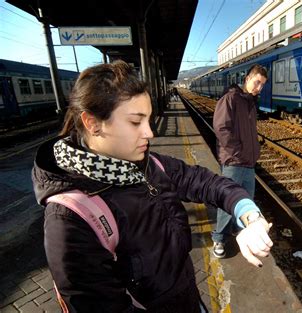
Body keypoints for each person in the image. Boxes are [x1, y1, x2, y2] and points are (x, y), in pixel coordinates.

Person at [31, 60, 273, 313]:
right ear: (92, 123)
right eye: (136, 122)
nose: (149, 133)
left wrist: (249, 214)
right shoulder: (70, 220)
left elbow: (209, 182)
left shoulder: (151, 165)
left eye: (148, 119)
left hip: (188, 298)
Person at [211, 64, 268, 258]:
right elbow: (221, 128)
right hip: (234, 163)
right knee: (228, 202)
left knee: (246, 202)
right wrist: (237, 152)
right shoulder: (231, 98)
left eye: (262, 85)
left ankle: (241, 233)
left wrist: (253, 151)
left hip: (248, 163)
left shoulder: (250, 102)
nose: (259, 87)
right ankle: (218, 239)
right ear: (247, 79)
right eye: (257, 82)